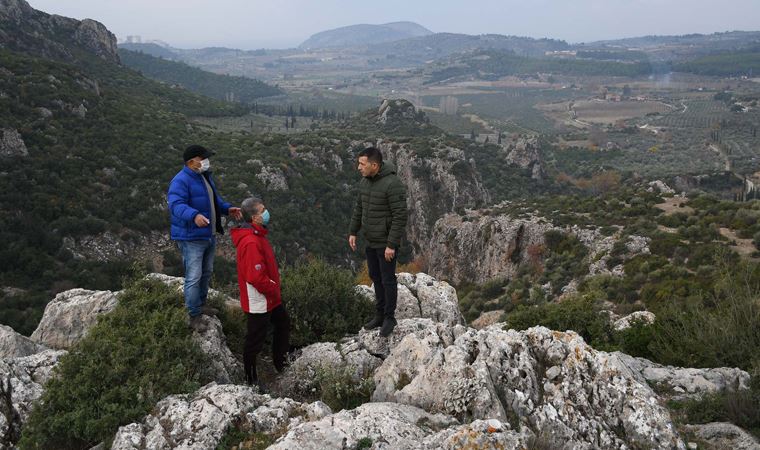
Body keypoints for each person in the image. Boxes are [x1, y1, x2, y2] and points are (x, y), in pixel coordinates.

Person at [167, 144, 241, 331]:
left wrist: (227, 209)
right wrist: (194, 215)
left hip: (208, 234)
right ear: (191, 162)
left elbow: (214, 202)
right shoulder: (180, 181)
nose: (206, 162)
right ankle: (193, 316)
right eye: (203, 158)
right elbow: (175, 204)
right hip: (191, 237)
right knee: (194, 276)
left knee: (206, 272)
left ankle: (201, 305)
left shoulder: (204, 177)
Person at [231, 196, 290, 389]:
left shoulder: (257, 235)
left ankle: (280, 363)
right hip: (259, 298)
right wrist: (273, 287)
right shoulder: (250, 242)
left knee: (282, 323)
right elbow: (255, 277)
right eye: (262, 210)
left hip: (268, 296)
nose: (266, 212)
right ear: (255, 217)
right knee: (254, 340)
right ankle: (251, 380)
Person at [348, 147, 408, 337]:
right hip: (371, 240)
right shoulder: (365, 182)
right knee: (375, 276)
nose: (359, 167)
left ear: (374, 165)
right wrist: (353, 231)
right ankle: (380, 314)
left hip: (385, 243)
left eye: (362, 164)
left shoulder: (392, 183)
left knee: (388, 279)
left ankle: (390, 317)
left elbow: (400, 216)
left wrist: (391, 244)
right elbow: (359, 208)